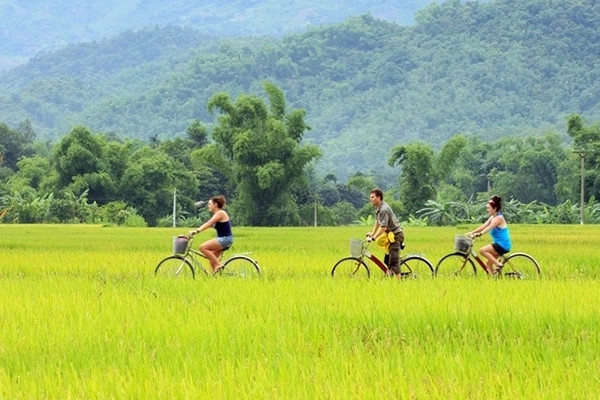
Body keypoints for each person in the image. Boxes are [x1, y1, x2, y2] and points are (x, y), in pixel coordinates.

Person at [188, 195, 233, 274]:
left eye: (210, 204)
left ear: (215, 204)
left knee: (202, 248)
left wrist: (196, 231)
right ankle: (214, 279)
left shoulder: (220, 213)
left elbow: (209, 223)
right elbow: (208, 226)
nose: (208, 206)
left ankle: (219, 265)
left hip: (225, 239)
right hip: (224, 239)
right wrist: (197, 231)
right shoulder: (217, 214)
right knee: (212, 260)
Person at [467, 195, 512, 275]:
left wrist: (479, 234)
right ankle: (495, 280)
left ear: (494, 209)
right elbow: (484, 226)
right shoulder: (493, 217)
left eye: (489, 208)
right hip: (498, 244)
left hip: (502, 245)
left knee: (482, 250)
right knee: (488, 264)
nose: (487, 210)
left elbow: (489, 227)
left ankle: (498, 264)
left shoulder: (499, 218)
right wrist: (472, 232)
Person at [366, 188, 405, 278]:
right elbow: (378, 221)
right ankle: (390, 276)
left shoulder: (384, 209)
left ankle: (398, 284)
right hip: (390, 236)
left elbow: (383, 227)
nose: (370, 199)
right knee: (387, 260)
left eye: (372, 197)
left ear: (378, 198)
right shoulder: (379, 208)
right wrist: (372, 233)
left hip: (396, 236)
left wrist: (374, 238)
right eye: (370, 197)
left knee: (394, 262)